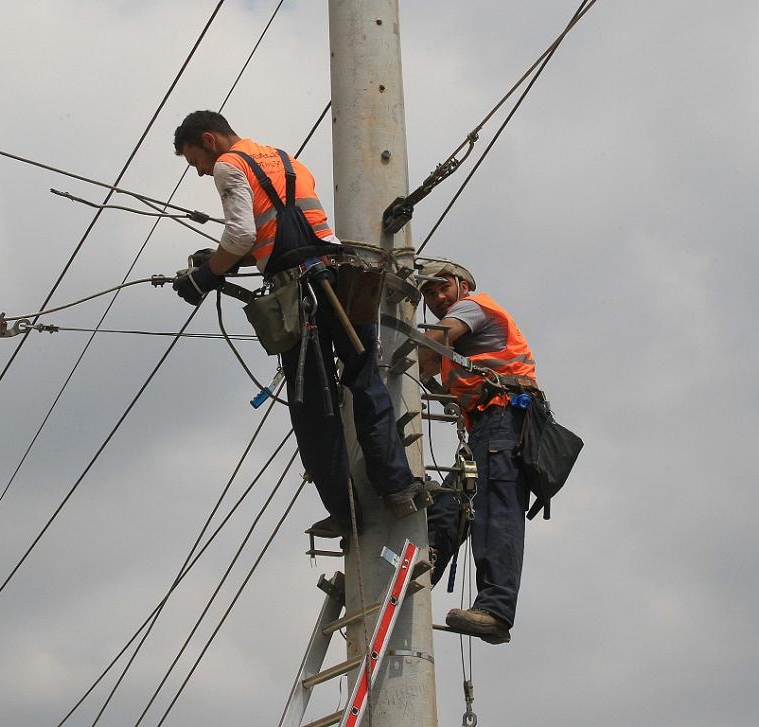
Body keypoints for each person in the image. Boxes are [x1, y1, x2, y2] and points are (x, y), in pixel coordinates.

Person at [170, 110, 427, 539]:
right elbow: (285, 231)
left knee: (314, 406)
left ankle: (347, 513)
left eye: (194, 159)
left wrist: (206, 276)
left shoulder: (228, 165)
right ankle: (398, 487)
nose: (198, 171)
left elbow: (239, 236)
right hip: (341, 279)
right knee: (366, 382)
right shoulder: (287, 160)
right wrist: (222, 264)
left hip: (299, 294)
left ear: (209, 140)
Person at [417, 259, 539, 645]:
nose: (437, 298)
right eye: (428, 294)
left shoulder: (471, 307)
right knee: (450, 507)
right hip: (487, 426)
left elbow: (424, 354)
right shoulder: (458, 333)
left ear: (462, 285)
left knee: (495, 509)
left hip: (505, 418)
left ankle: (496, 610)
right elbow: (420, 370)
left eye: (442, 288)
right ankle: (417, 577)